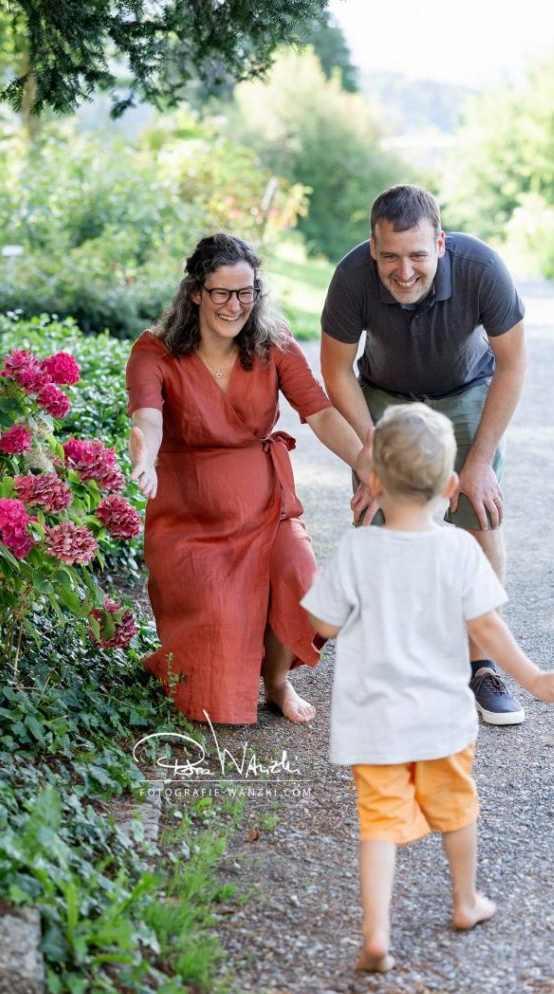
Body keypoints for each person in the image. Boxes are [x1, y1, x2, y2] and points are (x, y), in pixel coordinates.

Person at [301, 404, 554, 972]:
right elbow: (487, 628)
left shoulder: (356, 550)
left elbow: (322, 626)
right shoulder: (457, 551)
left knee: (378, 822)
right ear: (452, 489)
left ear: (373, 482)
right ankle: (464, 901)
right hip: (441, 720)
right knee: (455, 809)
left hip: (372, 721)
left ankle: (376, 934)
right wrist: (532, 678)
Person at [126, 233, 368, 726]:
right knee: (215, 664)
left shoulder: (272, 342)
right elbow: (148, 417)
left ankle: (277, 681)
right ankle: (193, 665)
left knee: (300, 578)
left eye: (245, 292)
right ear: (195, 292)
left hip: (265, 505)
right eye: (221, 293)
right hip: (189, 513)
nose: (234, 306)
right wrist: (144, 456)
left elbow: (319, 413)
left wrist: (365, 460)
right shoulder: (155, 350)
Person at [320, 184, 527, 726]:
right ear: (372, 248)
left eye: (416, 255)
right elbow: (336, 369)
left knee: (479, 514)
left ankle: (480, 662)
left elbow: (512, 364)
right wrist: (368, 448)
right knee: (377, 516)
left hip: (465, 389)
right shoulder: (351, 278)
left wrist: (478, 463)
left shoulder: (482, 268)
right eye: (390, 256)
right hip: (385, 395)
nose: (404, 270)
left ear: (439, 243)